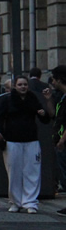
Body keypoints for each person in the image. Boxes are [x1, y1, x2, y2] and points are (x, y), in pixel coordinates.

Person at [0, 75, 51, 214]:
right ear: (15, 86)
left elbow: (45, 119)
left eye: (25, 84)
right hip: (12, 140)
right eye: (20, 84)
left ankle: (30, 202)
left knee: (32, 171)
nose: (23, 87)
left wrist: (42, 113)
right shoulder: (8, 100)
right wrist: (1, 137)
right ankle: (15, 201)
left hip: (31, 139)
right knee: (14, 172)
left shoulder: (32, 98)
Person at [48, 66, 66, 215]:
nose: (52, 82)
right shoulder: (62, 97)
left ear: (60, 80)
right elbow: (54, 115)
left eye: (53, 79)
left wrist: (62, 139)